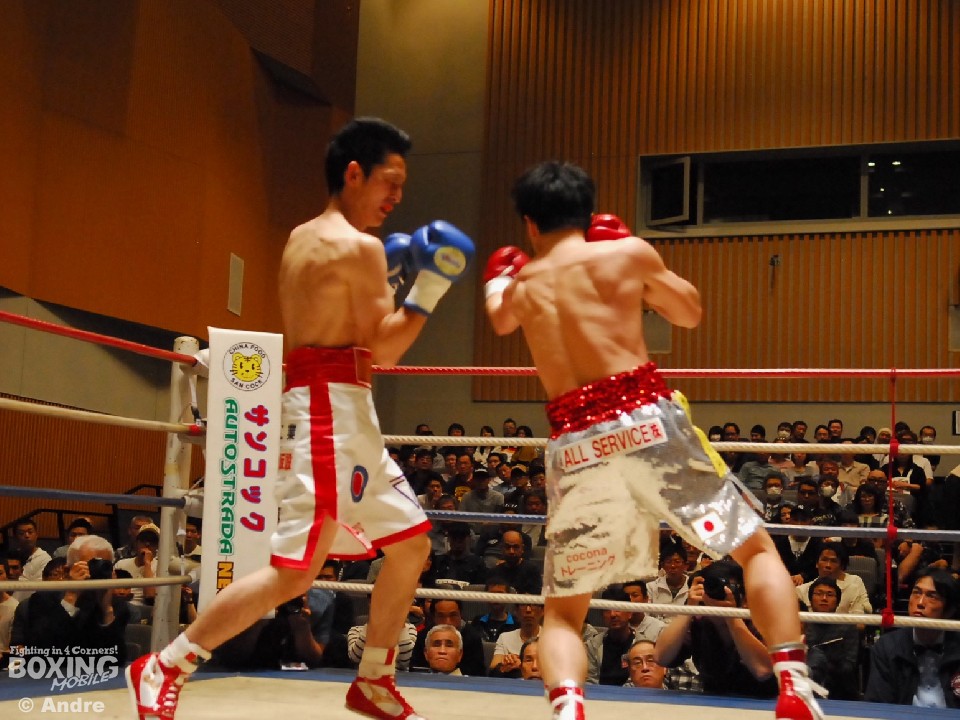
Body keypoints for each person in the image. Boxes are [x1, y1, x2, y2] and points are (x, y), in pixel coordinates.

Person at [127, 117, 474, 720]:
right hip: (328, 415)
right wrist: (431, 287)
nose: (397, 197)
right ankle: (166, 664)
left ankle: (374, 679)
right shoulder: (360, 247)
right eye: (390, 182)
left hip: (338, 407)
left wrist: (391, 281)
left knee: (411, 544)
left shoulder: (301, 236)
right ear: (354, 173)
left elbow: (343, 327)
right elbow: (386, 350)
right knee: (294, 574)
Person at [483, 161, 823, 720]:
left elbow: (499, 320)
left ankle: (568, 711)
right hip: (646, 425)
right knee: (754, 549)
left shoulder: (525, 285)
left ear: (529, 223)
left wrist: (500, 278)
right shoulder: (625, 253)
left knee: (564, 610)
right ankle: (793, 686)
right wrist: (636, 263)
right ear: (588, 213)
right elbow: (688, 312)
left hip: (577, 444)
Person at [865, 568, 960, 707]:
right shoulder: (886, 647)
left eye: (932, 596)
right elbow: (877, 704)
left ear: (949, 610)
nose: (920, 602)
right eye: (916, 593)